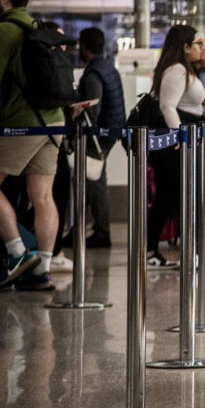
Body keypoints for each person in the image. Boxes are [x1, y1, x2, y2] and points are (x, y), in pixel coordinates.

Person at [0, 0, 64, 290]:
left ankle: (17, 252)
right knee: (42, 195)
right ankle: (40, 269)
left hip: (22, 122)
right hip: (53, 121)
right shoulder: (36, 28)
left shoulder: (3, 31)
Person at [146, 25, 205, 267]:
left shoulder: (183, 70)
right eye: (197, 44)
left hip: (184, 136)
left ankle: (156, 249)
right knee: (179, 196)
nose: (201, 48)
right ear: (185, 47)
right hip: (176, 143)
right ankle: (172, 251)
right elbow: (168, 106)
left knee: (172, 197)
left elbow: (183, 103)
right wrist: (178, 137)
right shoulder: (176, 70)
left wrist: (204, 101)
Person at [77, 27, 126, 248]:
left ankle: (101, 231)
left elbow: (93, 109)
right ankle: (96, 228)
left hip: (99, 134)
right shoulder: (107, 67)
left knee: (93, 181)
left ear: (84, 46)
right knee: (96, 179)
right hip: (112, 129)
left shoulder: (94, 73)